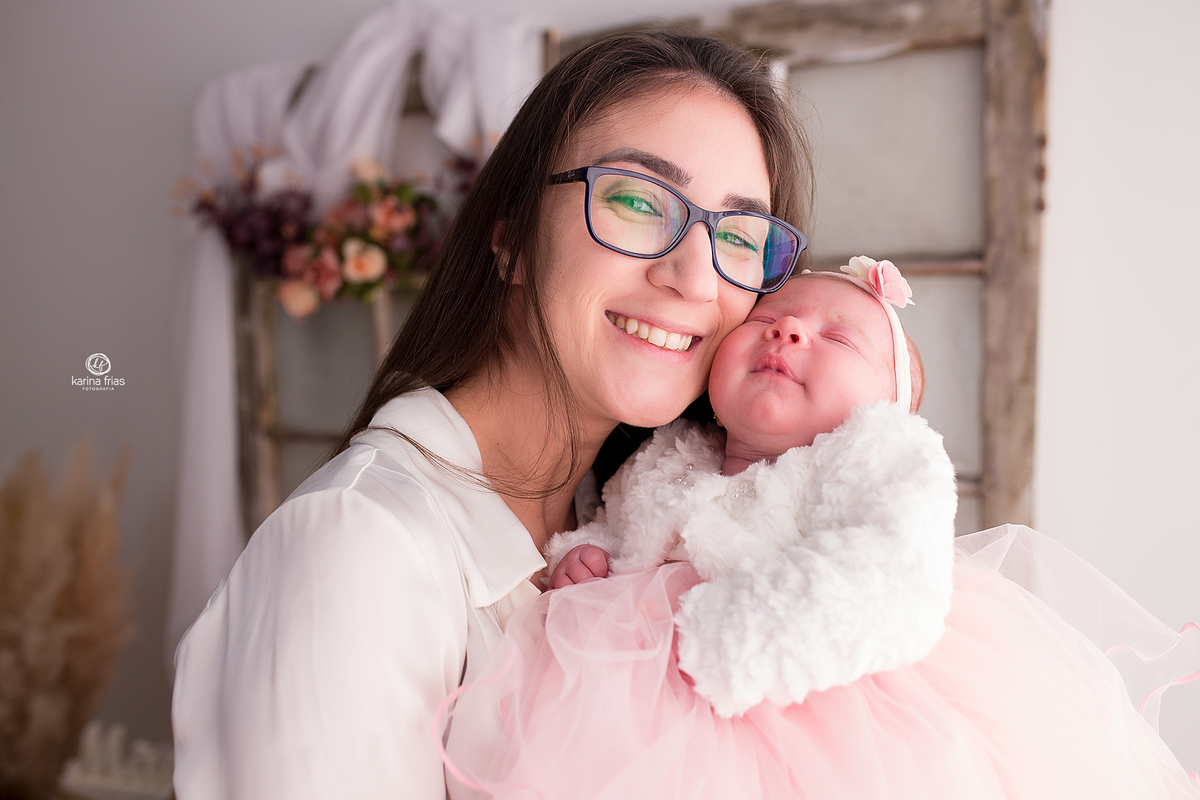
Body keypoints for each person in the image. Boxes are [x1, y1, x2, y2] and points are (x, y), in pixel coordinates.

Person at [171, 30, 812, 800]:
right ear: (508, 236)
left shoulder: (630, 528)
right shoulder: (360, 543)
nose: (694, 278)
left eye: (740, 237)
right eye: (638, 200)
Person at [440, 263, 1200, 799]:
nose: (789, 335)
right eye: (767, 320)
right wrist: (590, 558)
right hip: (636, 702)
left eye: (836, 341)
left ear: (888, 405)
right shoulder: (671, 455)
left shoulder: (877, 459)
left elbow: (889, 576)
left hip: (821, 701)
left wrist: (728, 637)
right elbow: (621, 529)